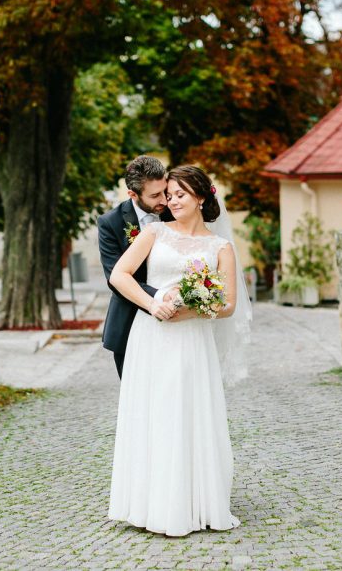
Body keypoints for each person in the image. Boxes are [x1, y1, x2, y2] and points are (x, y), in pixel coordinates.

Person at [108, 165, 251, 537]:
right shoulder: (154, 232)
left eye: (179, 194)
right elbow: (120, 275)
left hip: (192, 340)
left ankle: (194, 502)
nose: (171, 200)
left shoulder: (221, 248)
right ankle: (147, 504)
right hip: (151, 335)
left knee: (187, 414)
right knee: (154, 413)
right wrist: (153, 305)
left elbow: (229, 304)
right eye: (168, 195)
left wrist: (190, 309)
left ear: (201, 197)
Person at [97, 155, 173, 379]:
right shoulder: (110, 223)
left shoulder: (174, 210)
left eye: (164, 191)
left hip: (177, 319)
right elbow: (115, 278)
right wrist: (162, 296)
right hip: (129, 321)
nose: (165, 201)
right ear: (132, 194)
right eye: (154, 195)